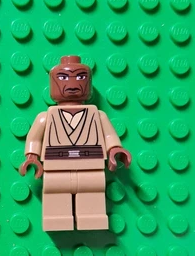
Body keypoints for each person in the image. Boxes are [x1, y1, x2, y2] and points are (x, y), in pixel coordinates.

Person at [19, 55, 131, 231]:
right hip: (56, 167)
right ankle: (57, 220)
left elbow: (109, 136)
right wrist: (32, 157)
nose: (72, 85)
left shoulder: (98, 116)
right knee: (55, 194)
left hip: (91, 166)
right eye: (63, 78)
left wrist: (115, 149)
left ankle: (92, 219)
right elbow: (34, 139)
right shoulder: (46, 117)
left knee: (92, 193)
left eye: (80, 77)